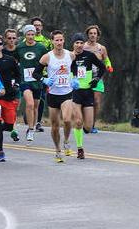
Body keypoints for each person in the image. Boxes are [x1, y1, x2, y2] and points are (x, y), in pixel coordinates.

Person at [33, 30, 79, 163]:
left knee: (67, 120)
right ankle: (58, 150)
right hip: (53, 94)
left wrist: (74, 78)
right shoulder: (47, 57)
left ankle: (66, 141)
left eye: (61, 40)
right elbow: (36, 73)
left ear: (64, 41)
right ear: (52, 41)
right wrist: (44, 79)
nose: (59, 42)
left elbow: (74, 67)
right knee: (54, 125)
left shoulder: (70, 55)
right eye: (56, 40)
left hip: (67, 93)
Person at [70, 32, 106, 159]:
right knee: (78, 121)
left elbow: (102, 67)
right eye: (76, 43)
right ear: (73, 44)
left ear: (83, 44)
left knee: (88, 127)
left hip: (88, 92)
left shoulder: (89, 56)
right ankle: (80, 148)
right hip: (75, 93)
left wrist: (96, 79)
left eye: (81, 43)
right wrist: (70, 81)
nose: (79, 45)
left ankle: (81, 130)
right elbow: (60, 71)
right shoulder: (69, 57)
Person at [0, 34, 22, 163]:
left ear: (3, 46)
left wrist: (17, 84)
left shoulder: (10, 60)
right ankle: (0, 151)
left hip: (9, 97)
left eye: (0, 44)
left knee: (8, 126)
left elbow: (19, 75)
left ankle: (1, 130)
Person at [15, 24, 48, 142]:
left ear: (35, 35)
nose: (30, 36)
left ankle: (32, 128)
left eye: (32, 34)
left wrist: (47, 76)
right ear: (25, 35)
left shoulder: (41, 48)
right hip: (25, 81)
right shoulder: (19, 47)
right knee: (29, 104)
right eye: (28, 34)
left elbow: (47, 62)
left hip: (37, 81)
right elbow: (15, 61)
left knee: (35, 107)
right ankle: (29, 129)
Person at [83, 25, 112, 133]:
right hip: (85, 78)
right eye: (91, 33)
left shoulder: (101, 48)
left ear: (98, 35)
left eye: (95, 33)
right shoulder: (83, 46)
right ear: (88, 35)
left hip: (98, 77)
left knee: (96, 101)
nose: (93, 35)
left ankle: (92, 125)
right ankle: (85, 123)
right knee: (84, 101)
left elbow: (106, 59)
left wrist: (109, 66)